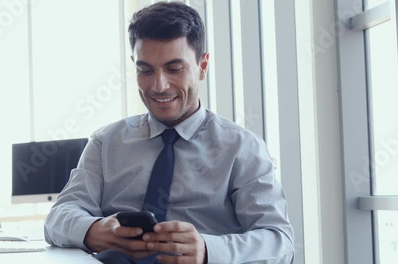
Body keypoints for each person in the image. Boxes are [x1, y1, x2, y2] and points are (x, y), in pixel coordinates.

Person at [44, 1, 294, 263]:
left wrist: (208, 249)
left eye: (174, 69)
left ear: (203, 66)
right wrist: (93, 230)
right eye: (145, 70)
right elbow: (59, 217)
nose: (159, 86)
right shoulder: (106, 142)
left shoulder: (242, 148)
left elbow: (279, 240)